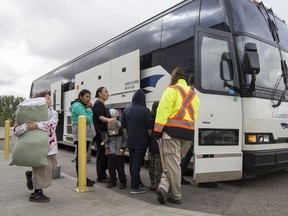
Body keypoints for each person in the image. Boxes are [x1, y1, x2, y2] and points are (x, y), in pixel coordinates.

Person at [154, 67, 200, 204]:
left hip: (172, 132)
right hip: (188, 134)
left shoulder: (171, 90)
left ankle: (175, 196)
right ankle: (163, 186)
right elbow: (194, 116)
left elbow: (162, 111)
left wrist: (157, 131)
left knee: (172, 163)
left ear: (174, 77)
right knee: (174, 163)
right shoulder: (194, 95)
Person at [14, 91, 58, 203]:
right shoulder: (27, 113)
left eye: (49, 98)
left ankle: (30, 174)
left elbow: (52, 126)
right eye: (47, 98)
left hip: (50, 146)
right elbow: (16, 131)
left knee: (52, 168)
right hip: (36, 147)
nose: (50, 101)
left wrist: (36, 125)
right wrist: (27, 126)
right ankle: (36, 193)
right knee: (41, 169)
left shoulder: (53, 113)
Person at [121, 89, 153, 194]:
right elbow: (149, 129)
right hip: (141, 141)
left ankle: (138, 182)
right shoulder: (145, 111)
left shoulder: (126, 110)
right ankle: (135, 187)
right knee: (137, 164)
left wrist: (129, 136)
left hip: (131, 141)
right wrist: (148, 138)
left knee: (132, 163)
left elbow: (124, 128)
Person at [69, 89, 96, 187]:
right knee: (81, 157)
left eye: (89, 97)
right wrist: (89, 110)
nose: (88, 99)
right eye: (86, 96)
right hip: (81, 134)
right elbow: (88, 119)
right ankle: (80, 180)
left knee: (82, 157)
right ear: (80, 96)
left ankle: (83, 178)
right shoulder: (77, 106)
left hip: (85, 134)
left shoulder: (81, 106)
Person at [92, 87, 115, 183]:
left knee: (104, 154)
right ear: (99, 93)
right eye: (106, 92)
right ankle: (101, 176)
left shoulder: (102, 104)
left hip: (104, 133)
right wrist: (109, 120)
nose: (108, 93)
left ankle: (103, 175)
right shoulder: (98, 104)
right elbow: (100, 117)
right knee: (101, 154)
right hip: (101, 134)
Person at [105, 108, 127, 189]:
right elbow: (106, 140)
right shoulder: (108, 129)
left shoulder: (122, 130)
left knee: (120, 169)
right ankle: (112, 181)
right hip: (111, 153)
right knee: (111, 169)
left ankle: (123, 181)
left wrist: (123, 148)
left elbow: (125, 140)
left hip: (119, 153)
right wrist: (107, 148)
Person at [180, 74, 195, 185]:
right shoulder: (193, 93)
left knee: (187, 153)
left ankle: (179, 175)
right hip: (192, 128)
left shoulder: (185, 92)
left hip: (185, 128)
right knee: (188, 153)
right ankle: (179, 176)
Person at [148, 101, 162, 191]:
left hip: (151, 141)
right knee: (158, 164)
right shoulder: (160, 117)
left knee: (151, 164)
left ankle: (152, 183)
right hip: (158, 141)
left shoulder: (149, 117)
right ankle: (158, 183)